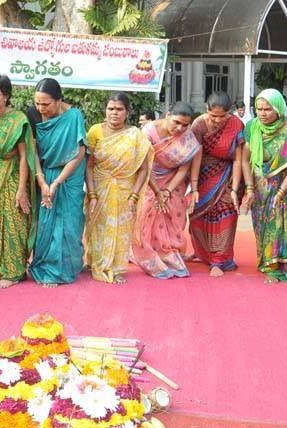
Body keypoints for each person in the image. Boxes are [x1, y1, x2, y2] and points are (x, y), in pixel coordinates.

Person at [240, 89, 287, 285]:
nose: (262, 113)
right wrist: (248, 188)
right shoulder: (252, 128)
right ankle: (270, 265)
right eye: (259, 109)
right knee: (264, 226)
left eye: (267, 109)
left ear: (278, 109)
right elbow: (245, 160)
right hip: (260, 187)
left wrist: (281, 192)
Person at [25, 78, 87, 288]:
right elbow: (33, 152)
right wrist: (42, 181)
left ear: (59, 100)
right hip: (45, 173)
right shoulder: (32, 115)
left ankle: (66, 268)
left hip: (70, 177)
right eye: (38, 103)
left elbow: (79, 154)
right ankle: (47, 267)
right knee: (46, 223)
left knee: (70, 223)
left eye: (46, 104)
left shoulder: (74, 116)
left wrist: (58, 182)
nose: (41, 108)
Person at [85, 93, 152, 284]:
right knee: (97, 226)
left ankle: (117, 267)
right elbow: (89, 165)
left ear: (127, 112)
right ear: (105, 111)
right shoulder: (95, 131)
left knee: (121, 228)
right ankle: (95, 262)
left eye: (119, 109)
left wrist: (134, 196)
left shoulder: (135, 135)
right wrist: (92, 193)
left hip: (125, 189)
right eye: (111, 109)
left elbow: (143, 168)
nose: (114, 113)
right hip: (99, 186)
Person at [0, 73, 38, 289]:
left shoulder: (18, 119)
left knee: (13, 218)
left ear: (6, 96)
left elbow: (24, 156)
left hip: (13, 173)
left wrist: (22, 189)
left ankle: (14, 271)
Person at [132, 102, 200, 279]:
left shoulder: (188, 137)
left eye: (185, 125)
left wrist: (167, 191)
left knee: (174, 213)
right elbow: (143, 165)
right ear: (168, 114)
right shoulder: (148, 132)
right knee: (147, 213)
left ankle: (168, 253)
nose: (180, 128)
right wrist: (157, 191)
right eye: (176, 122)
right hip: (149, 177)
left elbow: (183, 169)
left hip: (174, 181)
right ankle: (148, 255)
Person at [189, 92, 244, 277]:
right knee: (198, 215)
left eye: (223, 116)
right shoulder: (199, 124)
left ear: (230, 112)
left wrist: (235, 189)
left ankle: (219, 260)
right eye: (214, 116)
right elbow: (195, 156)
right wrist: (194, 187)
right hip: (203, 174)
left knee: (226, 213)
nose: (218, 120)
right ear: (207, 111)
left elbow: (238, 159)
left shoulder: (236, 124)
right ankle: (202, 253)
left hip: (228, 175)